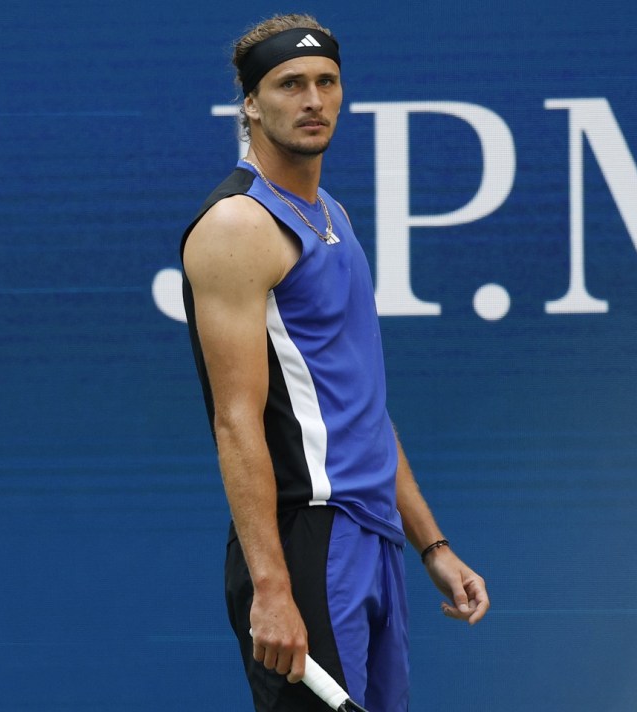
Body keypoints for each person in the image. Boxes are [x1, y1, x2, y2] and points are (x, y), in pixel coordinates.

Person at [179, 13, 490, 712]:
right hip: (306, 541)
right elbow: (236, 422)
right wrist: (272, 586)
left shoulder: (334, 216)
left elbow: (362, 407)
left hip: (372, 536)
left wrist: (431, 544)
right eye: (290, 84)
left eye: (326, 82)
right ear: (251, 103)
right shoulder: (238, 226)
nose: (313, 100)